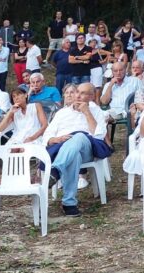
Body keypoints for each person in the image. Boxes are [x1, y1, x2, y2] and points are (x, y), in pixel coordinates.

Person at [42, 83, 108, 217]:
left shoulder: (96, 111)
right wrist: (56, 139)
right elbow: (47, 135)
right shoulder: (62, 113)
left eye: (83, 93)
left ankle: (55, 170)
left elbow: (99, 135)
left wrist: (87, 112)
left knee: (79, 136)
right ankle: (69, 203)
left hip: (88, 148)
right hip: (64, 148)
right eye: (77, 91)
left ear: (91, 96)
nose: (77, 95)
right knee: (74, 156)